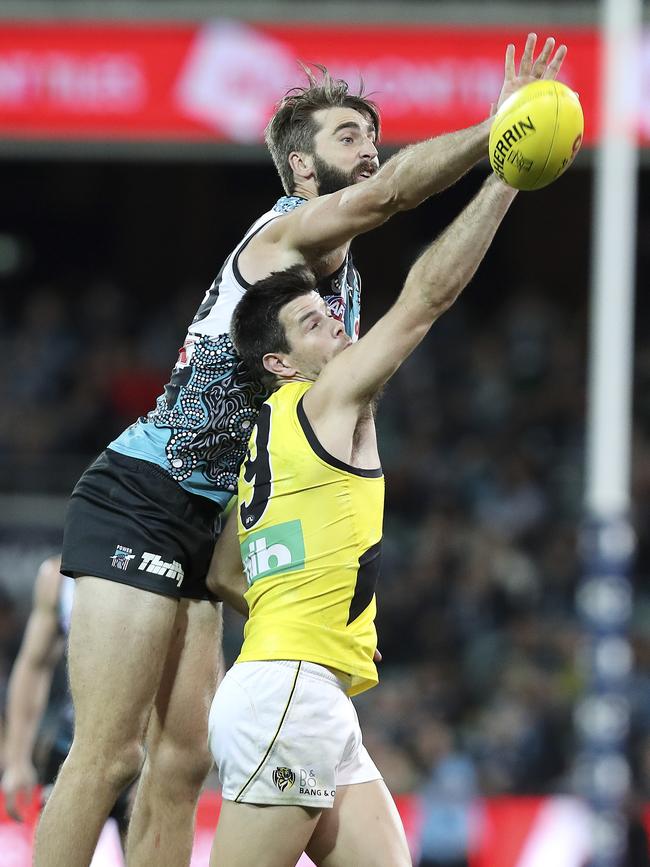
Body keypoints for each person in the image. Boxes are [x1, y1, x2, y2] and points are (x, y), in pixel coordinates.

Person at [35, 34, 566, 867]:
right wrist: (499, 129)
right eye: (347, 137)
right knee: (110, 756)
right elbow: (392, 197)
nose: (370, 150)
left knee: (182, 763)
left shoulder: (339, 297)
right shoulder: (281, 235)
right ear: (302, 170)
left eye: (372, 133)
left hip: (216, 517)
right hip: (140, 490)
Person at [205, 163, 521, 867]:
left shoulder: (269, 430)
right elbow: (425, 298)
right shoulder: (327, 396)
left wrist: (320, 622)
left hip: (298, 687)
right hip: (289, 694)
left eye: (329, 309)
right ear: (281, 363)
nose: (337, 322)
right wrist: (505, 179)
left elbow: (226, 568)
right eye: (312, 323)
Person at [0, 557, 133, 845]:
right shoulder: (58, 576)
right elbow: (34, 665)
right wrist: (17, 760)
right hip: (71, 749)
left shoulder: (165, 558)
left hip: (139, 754)